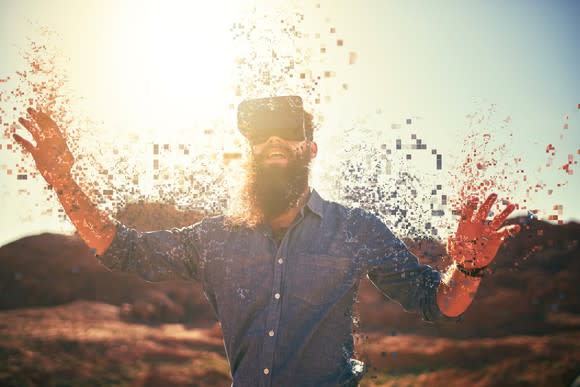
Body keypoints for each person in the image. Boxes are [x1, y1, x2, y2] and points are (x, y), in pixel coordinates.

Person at [14, 96, 520, 386]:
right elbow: (120, 247)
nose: (273, 141)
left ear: (311, 147)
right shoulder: (214, 238)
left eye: (286, 131)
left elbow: (437, 302)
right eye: (260, 135)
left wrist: (468, 267)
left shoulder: (354, 228)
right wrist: (63, 180)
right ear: (249, 152)